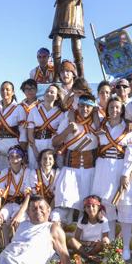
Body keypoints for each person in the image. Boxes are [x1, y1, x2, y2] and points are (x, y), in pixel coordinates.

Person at [90, 97, 132, 260]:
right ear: (107, 108)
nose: (114, 110)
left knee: (125, 210)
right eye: (111, 107)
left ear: (122, 109)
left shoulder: (129, 128)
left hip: (121, 168)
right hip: (103, 170)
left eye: (117, 107)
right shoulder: (101, 126)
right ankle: (109, 248)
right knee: (106, 211)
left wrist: (126, 173)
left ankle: (125, 249)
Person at [52, 93, 100, 223]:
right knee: (65, 206)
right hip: (70, 170)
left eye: (88, 107)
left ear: (93, 108)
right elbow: (55, 142)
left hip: (91, 171)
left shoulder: (98, 122)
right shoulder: (67, 120)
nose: (85, 109)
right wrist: (67, 130)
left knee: (87, 210)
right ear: (77, 106)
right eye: (82, 106)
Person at [27, 83, 66, 168]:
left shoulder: (61, 114)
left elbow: (60, 135)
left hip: (51, 145)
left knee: (51, 172)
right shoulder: (34, 110)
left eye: (52, 92)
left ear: (57, 97)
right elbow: (30, 132)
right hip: (35, 144)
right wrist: (34, 149)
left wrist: (53, 152)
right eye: (47, 91)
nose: (48, 93)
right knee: (35, 172)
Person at [0, 81, 26, 170]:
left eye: (7, 89)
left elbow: (23, 130)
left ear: (13, 92)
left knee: (12, 173)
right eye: (2, 89)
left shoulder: (19, 108)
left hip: (12, 145)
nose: (4, 92)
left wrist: (22, 148)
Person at [66, 195, 110, 262]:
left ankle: (87, 256)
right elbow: (76, 238)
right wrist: (86, 243)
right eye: (88, 207)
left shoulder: (104, 221)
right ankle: (89, 257)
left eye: (93, 206)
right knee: (72, 241)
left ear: (98, 207)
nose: (91, 209)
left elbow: (105, 238)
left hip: (96, 248)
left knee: (106, 241)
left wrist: (96, 243)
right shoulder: (81, 220)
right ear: (85, 209)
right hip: (83, 247)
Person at [18, 79, 38, 156]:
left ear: (36, 90)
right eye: (27, 89)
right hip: (21, 138)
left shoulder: (41, 104)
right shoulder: (19, 106)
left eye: (32, 88)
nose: (30, 91)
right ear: (23, 91)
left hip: (36, 137)